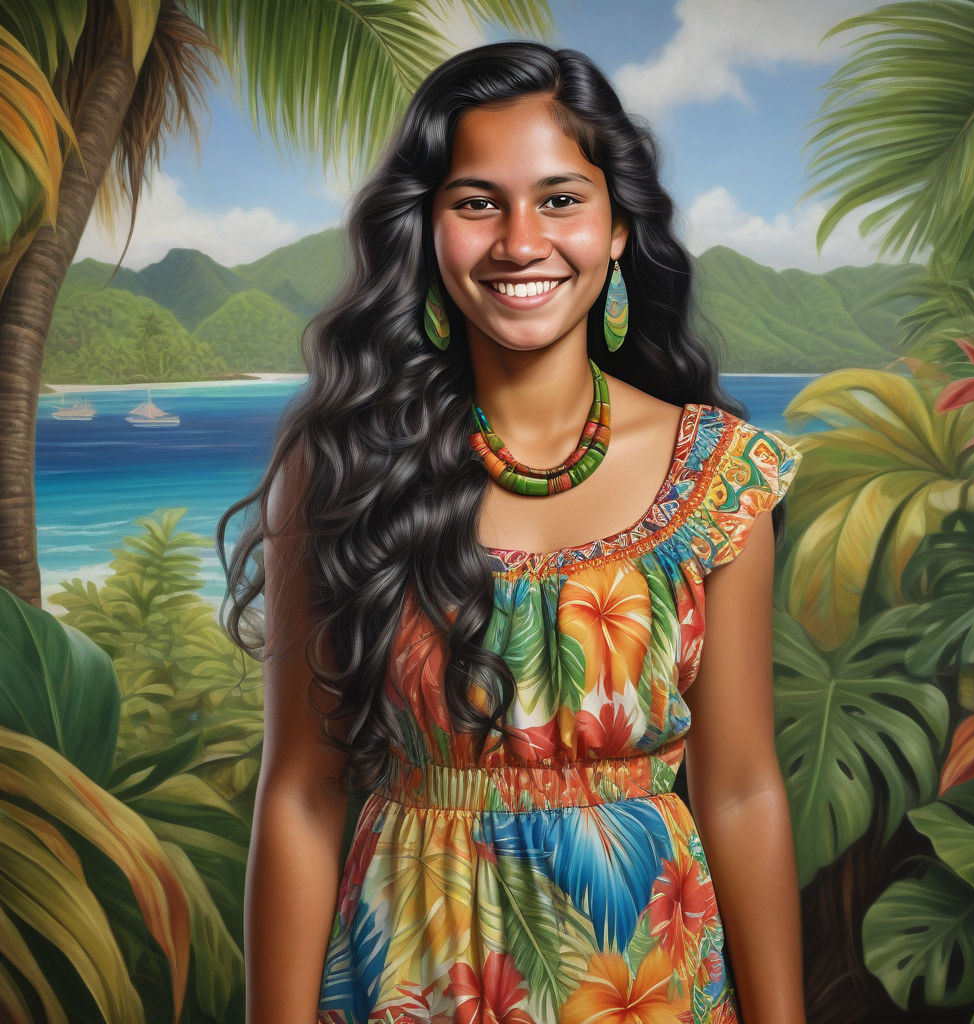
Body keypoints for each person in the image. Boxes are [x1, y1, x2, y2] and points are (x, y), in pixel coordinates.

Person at [220, 41, 806, 1024]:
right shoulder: (342, 466)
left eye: (561, 199)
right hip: (406, 978)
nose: (519, 240)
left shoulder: (717, 476)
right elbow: (303, 796)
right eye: (477, 201)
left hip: (643, 983)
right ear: (426, 228)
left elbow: (741, 790)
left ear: (619, 226)